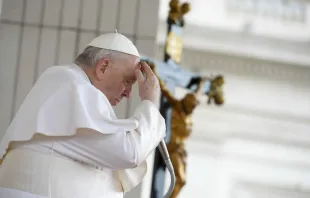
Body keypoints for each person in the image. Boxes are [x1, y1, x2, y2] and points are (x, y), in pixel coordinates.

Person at [0, 32, 166, 198]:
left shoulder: (72, 84)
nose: (128, 94)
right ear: (102, 67)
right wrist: (150, 103)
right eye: (127, 81)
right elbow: (129, 153)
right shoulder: (73, 85)